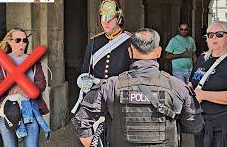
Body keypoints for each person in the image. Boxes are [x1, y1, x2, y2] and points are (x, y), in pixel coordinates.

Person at [72, 28, 204, 147]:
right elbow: (195, 126)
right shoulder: (178, 87)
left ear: (129, 52)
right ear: (158, 52)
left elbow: (82, 121)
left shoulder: (110, 86)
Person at [73, 0, 132, 146]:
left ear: (119, 18)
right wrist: (83, 81)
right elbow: (86, 70)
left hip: (119, 92)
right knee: (82, 122)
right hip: (97, 92)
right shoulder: (94, 41)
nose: (105, 22)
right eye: (103, 18)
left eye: (110, 18)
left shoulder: (129, 40)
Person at [0, 28, 50, 147]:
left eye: (25, 40)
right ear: (10, 42)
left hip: (30, 111)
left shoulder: (33, 61)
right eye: (18, 40)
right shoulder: (2, 62)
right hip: (7, 111)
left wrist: (22, 88)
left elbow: (41, 84)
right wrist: (12, 87)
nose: (22, 44)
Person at [189, 21, 227, 147]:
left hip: (223, 127)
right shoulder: (202, 59)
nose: (214, 37)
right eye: (210, 35)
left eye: (219, 34)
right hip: (200, 123)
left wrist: (203, 95)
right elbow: (191, 83)